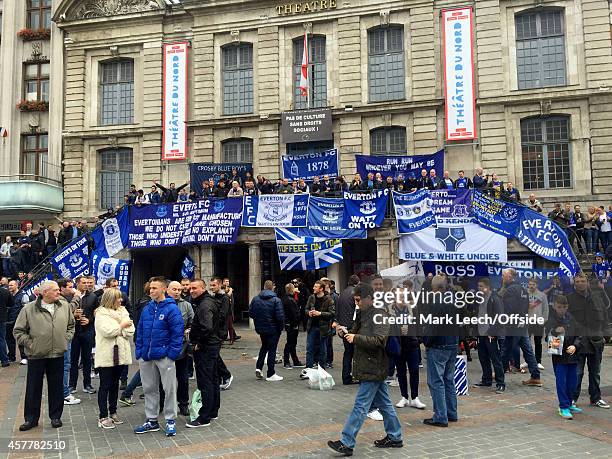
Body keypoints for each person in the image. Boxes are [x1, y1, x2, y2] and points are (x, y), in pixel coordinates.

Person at [327, 284, 403, 456]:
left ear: (369, 298)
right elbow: (355, 333)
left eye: (358, 300)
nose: (356, 303)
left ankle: (347, 442)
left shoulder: (380, 314)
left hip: (374, 366)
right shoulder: (363, 313)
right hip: (368, 365)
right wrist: (344, 332)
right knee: (385, 404)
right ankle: (395, 436)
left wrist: (356, 338)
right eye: (355, 300)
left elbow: (379, 340)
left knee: (360, 406)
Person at [13, 280, 75, 431]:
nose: (58, 292)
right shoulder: (29, 309)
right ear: (44, 292)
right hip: (36, 355)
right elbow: (18, 331)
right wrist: (31, 344)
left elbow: (71, 325)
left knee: (56, 387)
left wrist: (65, 339)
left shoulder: (64, 306)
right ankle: (31, 419)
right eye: (55, 290)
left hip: (57, 354)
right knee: (34, 388)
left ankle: (55, 417)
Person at [134, 277, 184, 436]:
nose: (151, 291)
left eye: (155, 288)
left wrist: (172, 354)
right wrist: (139, 352)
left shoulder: (172, 308)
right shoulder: (147, 308)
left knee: (169, 389)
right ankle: (152, 420)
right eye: (150, 288)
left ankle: (170, 420)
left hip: (164, 356)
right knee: (149, 388)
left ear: (163, 289)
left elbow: (178, 334)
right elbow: (140, 330)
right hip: (147, 356)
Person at [568, 273, 609, 409]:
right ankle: (572, 399)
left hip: (596, 341)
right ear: (574, 283)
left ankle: (596, 398)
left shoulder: (597, 298)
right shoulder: (569, 299)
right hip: (578, 343)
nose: (580, 283)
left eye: (583, 280)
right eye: (578, 281)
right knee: (577, 373)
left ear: (587, 282)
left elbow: (604, 317)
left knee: (595, 372)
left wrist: (605, 336)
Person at [95, 288, 135, 429]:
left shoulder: (123, 311)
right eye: (118, 298)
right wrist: (122, 326)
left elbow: (131, 330)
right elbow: (107, 331)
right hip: (106, 355)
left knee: (115, 384)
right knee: (105, 385)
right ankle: (102, 416)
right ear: (111, 299)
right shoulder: (101, 313)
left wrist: (120, 328)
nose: (121, 300)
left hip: (121, 354)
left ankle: (113, 412)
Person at [422, 275, 459, 427]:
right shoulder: (455, 300)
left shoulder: (435, 302)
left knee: (436, 382)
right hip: (452, 343)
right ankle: (451, 413)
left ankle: (440, 416)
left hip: (439, 345)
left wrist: (426, 341)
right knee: (448, 380)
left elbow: (433, 326)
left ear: (434, 288)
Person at [187, 278, 222, 427]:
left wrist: (198, 343)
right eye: (190, 288)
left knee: (206, 380)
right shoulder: (207, 302)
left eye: (195, 288)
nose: (191, 291)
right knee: (213, 378)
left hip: (206, 347)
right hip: (211, 345)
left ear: (202, 288)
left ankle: (204, 417)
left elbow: (207, 327)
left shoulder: (205, 304)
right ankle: (212, 411)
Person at [500, 269, 542, 386]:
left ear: (509, 276)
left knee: (506, 349)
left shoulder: (510, 290)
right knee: (527, 350)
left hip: (513, 324)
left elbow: (509, 309)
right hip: (522, 322)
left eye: (503, 275)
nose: (502, 278)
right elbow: (525, 307)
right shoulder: (523, 289)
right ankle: (535, 375)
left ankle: (500, 373)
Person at [545, 295, 583, 419]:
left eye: (564, 307)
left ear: (567, 307)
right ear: (554, 306)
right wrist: (556, 333)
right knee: (561, 382)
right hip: (560, 358)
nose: (562, 309)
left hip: (572, 355)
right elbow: (548, 339)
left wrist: (575, 346)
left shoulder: (571, 318)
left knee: (573, 382)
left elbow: (579, 334)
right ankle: (563, 407)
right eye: (559, 307)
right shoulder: (551, 320)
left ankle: (569, 402)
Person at [392, 287, 426, 409]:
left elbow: (419, 325)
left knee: (414, 371)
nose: (402, 299)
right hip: (398, 346)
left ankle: (415, 397)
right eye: (400, 297)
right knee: (401, 372)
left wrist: (417, 339)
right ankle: (404, 397)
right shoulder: (391, 311)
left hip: (412, 345)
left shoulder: (412, 309)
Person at [473, 278, 506, 393]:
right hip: (480, 333)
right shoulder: (479, 298)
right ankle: (486, 379)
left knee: (495, 358)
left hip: (490, 334)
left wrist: (492, 332)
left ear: (487, 287)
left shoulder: (495, 298)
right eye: (478, 286)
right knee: (483, 357)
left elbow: (500, 318)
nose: (479, 288)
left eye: (481, 286)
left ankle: (500, 383)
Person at [167, 281, 194, 416]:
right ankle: (163, 404)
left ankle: (183, 404)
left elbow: (192, 321)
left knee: (183, 378)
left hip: (181, 346)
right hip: (165, 347)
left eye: (179, 289)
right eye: (174, 289)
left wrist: (188, 329)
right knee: (164, 379)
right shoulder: (162, 304)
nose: (177, 292)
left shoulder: (186, 305)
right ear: (167, 290)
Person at [249, 280, 285, 381]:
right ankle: (271, 373)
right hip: (273, 329)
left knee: (264, 347)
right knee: (272, 350)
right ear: (272, 287)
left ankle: (259, 367)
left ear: (264, 287)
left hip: (261, 328)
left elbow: (251, 313)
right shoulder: (276, 300)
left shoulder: (256, 299)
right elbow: (280, 317)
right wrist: (280, 328)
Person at [69, 276, 98, 395]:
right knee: (73, 360)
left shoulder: (93, 296)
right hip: (74, 332)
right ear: (77, 284)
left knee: (87, 359)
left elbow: (96, 313)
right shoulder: (71, 297)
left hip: (88, 331)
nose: (87, 285)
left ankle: (87, 384)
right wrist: (74, 317)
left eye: (88, 282)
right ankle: (72, 385)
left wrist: (89, 320)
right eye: (83, 283)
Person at [305, 280, 335, 371]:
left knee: (323, 349)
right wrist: (309, 313)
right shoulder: (311, 297)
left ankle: (322, 369)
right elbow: (306, 309)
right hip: (312, 326)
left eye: (316, 287)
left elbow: (332, 313)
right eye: (314, 286)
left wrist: (320, 313)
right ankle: (308, 369)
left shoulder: (329, 299)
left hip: (323, 328)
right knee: (309, 348)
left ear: (321, 289)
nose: (313, 288)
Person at [525, 279, 548, 369]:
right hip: (528, 321)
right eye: (530, 284)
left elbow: (546, 309)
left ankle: (538, 361)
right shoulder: (525, 295)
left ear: (537, 285)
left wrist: (544, 320)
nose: (531, 286)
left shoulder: (542, 295)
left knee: (538, 342)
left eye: (533, 284)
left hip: (538, 321)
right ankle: (527, 360)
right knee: (526, 342)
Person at [281, 283, 304, 369]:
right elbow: (294, 313)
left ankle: (295, 360)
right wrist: (295, 323)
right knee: (290, 343)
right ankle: (287, 361)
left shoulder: (287, 298)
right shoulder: (289, 300)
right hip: (291, 324)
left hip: (290, 323)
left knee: (292, 343)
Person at [6, 280, 28, 365]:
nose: (9, 287)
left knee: (20, 339)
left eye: (11, 285)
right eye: (9, 285)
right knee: (9, 339)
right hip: (9, 320)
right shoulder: (9, 295)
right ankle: (11, 356)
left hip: (19, 321)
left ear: (16, 285)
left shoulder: (23, 295)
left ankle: (24, 357)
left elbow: (26, 308)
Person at [0, 283, 14, 367]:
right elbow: (11, 303)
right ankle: (4, 360)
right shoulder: (5, 291)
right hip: (2, 318)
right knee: (1, 339)